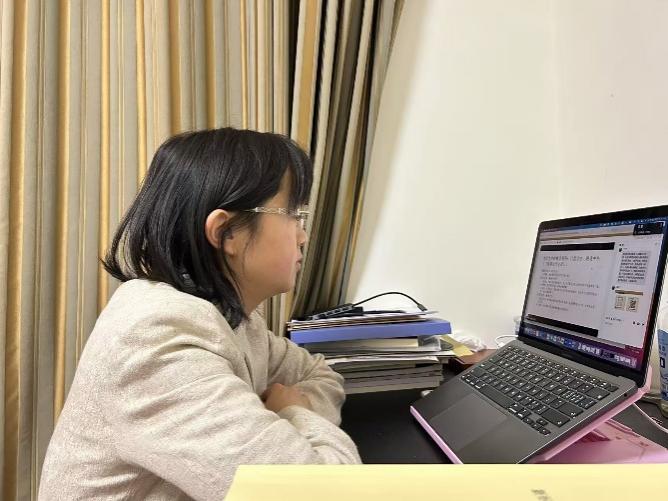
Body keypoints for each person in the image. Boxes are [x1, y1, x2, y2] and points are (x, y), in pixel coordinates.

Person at [39, 128, 361, 500]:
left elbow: (320, 374)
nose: (303, 236)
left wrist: (280, 421)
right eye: (292, 214)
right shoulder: (159, 339)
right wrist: (292, 412)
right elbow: (329, 493)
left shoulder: (234, 319)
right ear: (226, 233)